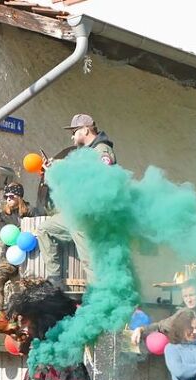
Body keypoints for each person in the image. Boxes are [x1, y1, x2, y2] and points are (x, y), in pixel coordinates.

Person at [35, 114, 116, 288]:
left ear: (86, 130)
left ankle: (100, 300)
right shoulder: (83, 153)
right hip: (75, 214)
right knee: (44, 230)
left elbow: (102, 178)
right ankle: (55, 281)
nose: (72, 136)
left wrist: (64, 168)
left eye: (74, 131)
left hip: (90, 216)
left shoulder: (101, 150)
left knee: (91, 263)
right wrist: (56, 168)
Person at [0, 182, 43, 311]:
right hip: (9, 257)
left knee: (19, 291)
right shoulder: (3, 215)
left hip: (28, 258)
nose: (8, 199)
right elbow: (2, 234)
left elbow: (39, 229)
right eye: (6, 196)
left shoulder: (31, 212)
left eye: (11, 196)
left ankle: (18, 320)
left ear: (19, 196)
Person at [131, 279, 196, 345]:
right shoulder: (182, 313)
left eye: (192, 295)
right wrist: (141, 329)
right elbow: (161, 326)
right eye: (185, 296)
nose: (188, 300)